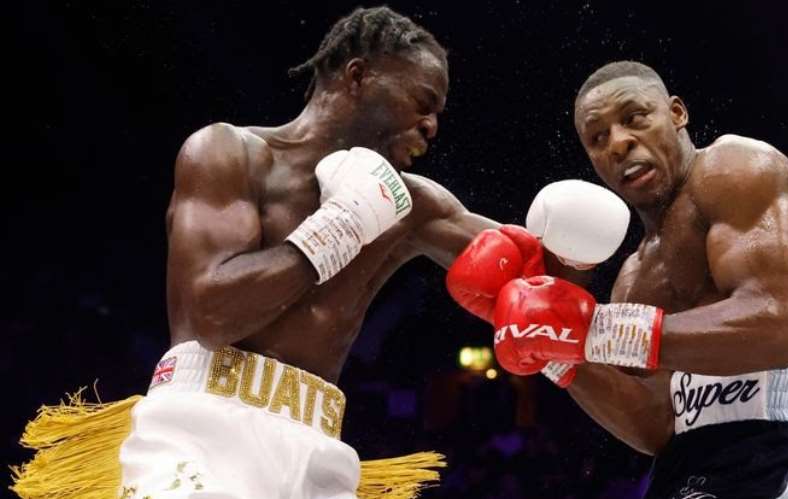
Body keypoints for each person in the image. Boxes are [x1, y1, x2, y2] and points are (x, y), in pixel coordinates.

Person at [13, 7, 494, 499]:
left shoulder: (409, 205)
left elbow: (524, 261)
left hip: (318, 456)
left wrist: (576, 219)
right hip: (199, 433)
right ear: (357, 75)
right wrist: (341, 227)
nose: (432, 125)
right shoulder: (229, 153)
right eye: (422, 101)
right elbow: (212, 316)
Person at [446, 61, 788, 498]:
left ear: (677, 114)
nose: (618, 143)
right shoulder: (633, 278)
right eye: (598, 138)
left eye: (634, 118)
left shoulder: (736, 168)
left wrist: (594, 331)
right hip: (683, 467)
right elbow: (656, 427)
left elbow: (774, 326)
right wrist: (552, 348)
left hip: (778, 446)